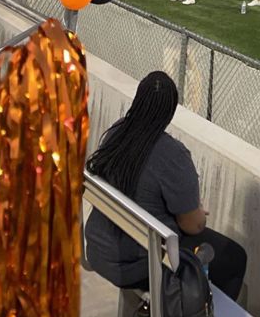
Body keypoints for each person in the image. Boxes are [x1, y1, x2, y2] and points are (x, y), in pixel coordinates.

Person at [85, 72, 247, 298]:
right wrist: (197, 211)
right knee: (235, 257)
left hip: (98, 250)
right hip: (136, 265)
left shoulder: (115, 134)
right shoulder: (173, 156)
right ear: (170, 112)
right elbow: (193, 226)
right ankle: (198, 315)